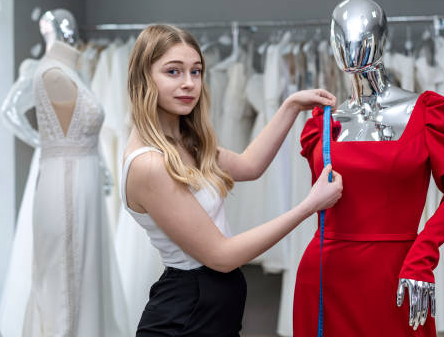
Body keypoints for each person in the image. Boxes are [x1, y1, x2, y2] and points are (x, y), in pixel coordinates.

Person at [122, 24, 343, 336]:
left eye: (195, 72)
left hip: (212, 312)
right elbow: (221, 256)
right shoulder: (150, 163)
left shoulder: (186, 143)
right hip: (186, 317)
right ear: (144, 77)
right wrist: (308, 206)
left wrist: (291, 106)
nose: (189, 84)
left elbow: (250, 165)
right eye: (173, 72)